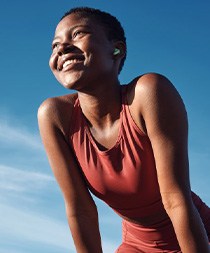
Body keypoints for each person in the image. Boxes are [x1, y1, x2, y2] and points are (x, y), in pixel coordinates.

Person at [38, 7, 210, 253]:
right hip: (137, 245)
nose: (62, 48)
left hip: (197, 235)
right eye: (55, 45)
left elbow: (175, 200)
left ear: (117, 49)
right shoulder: (54, 116)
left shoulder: (148, 92)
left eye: (77, 34)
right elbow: (80, 210)